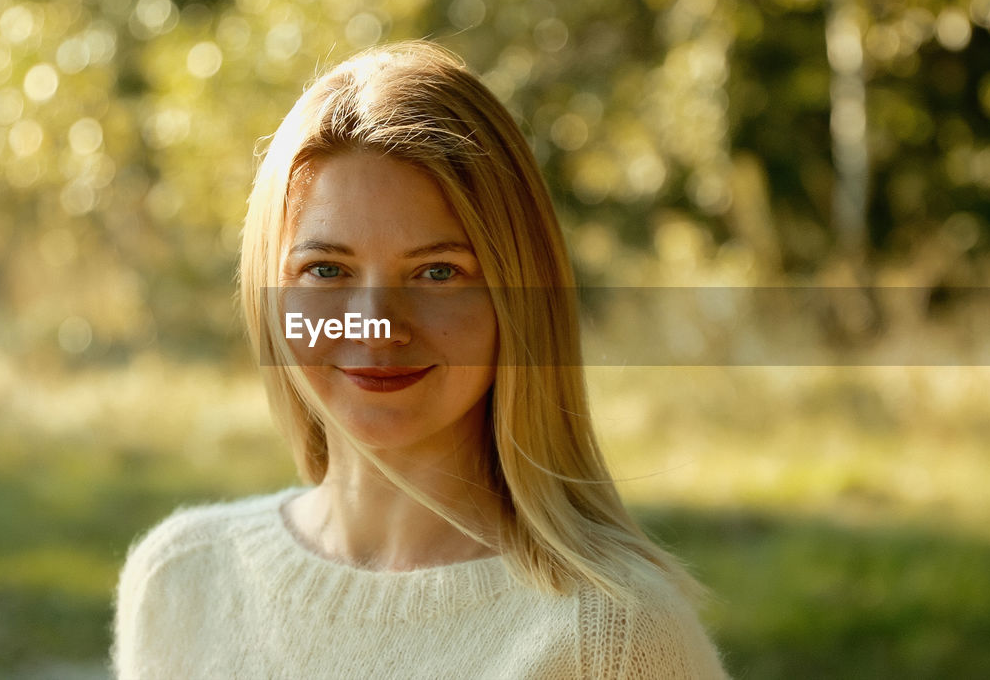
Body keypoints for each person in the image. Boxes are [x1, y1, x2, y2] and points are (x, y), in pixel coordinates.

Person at [112, 40, 728, 679]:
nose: (377, 326)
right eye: (327, 269)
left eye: (438, 272)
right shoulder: (180, 579)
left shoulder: (614, 641)